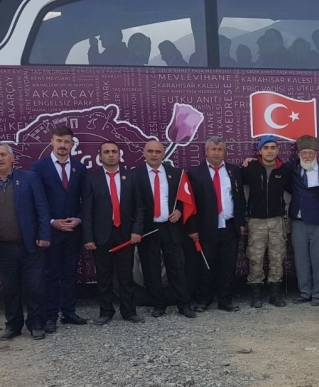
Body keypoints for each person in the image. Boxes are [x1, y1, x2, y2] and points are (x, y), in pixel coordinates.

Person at [0, 142, 51, 340]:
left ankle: (36, 324)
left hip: (31, 246)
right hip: (2, 248)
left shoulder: (29, 178)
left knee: (35, 287)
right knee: (10, 289)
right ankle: (13, 325)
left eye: (3, 154)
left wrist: (44, 235)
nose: (0, 159)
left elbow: (42, 208)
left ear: (12, 158)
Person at [80, 141, 145, 325]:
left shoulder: (131, 177)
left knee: (126, 275)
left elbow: (139, 207)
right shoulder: (91, 178)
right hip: (101, 236)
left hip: (125, 235)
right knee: (104, 276)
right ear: (100, 156)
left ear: (119, 155)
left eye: (114, 151)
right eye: (106, 152)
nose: (110, 155)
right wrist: (88, 237)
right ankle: (105, 312)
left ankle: (129, 311)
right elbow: (87, 210)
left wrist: (137, 230)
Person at [30, 126, 87, 331]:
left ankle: (69, 312)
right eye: (59, 141)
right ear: (52, 142)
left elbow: (86, 198)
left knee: (70, 273)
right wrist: (51, 221)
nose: (63, 145)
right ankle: (51, 316)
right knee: (52, 275)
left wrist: (79, 219)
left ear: (72, 144)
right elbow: (36, 200)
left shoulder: (79, 168)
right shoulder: (38, 167)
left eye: (67, 142)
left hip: (73, 231)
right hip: (51, 231)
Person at [131, 139, 196, 318]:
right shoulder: (135, 175)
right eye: (150, 151)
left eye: (158, 152)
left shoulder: (176, 173)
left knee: (176, 268)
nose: (154, 155)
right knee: (151, 269)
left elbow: (184, 199)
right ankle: (158, 305)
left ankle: (183, 305)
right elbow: (132, 203)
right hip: (148, 229)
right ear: (144, 153)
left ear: (164, 154)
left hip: (170, 228)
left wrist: (180, 211)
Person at [185, 137, 245, 312]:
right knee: (206, 266)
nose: (217, 153)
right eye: (213, 149)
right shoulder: (195, 173)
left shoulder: (234, 171)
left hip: (230, 227)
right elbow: (189, 203)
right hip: (206, 228)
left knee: (228, 266)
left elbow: (240, 198)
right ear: (206, 151)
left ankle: (225, 300)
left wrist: (241, 222)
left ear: (224, 152)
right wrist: (192, 228)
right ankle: (203, 300)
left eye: (220, 149)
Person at [241, 135, 289, 308]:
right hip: (256, 221)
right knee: (255, 258)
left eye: (273, 148)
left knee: (277, 257)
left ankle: (275, 294)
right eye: (266, 148)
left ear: (277, 150)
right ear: (260, 151)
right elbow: (238, 185)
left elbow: (292, 190)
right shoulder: (251, 167)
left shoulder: (284, 169)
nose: (270, 151)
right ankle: (256, 295)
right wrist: (245, 162)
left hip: (277, 220)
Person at [285, 135, 319, 305]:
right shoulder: (292, 168)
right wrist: (251, 160)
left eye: (311, 152)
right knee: (301, 259)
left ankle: (318, 294)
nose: (307, 156)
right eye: (304, 152)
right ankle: (305, 292)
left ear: (317, 153)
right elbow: (271, 165)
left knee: (318, 260)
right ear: (298, 154)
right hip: (298, 221)